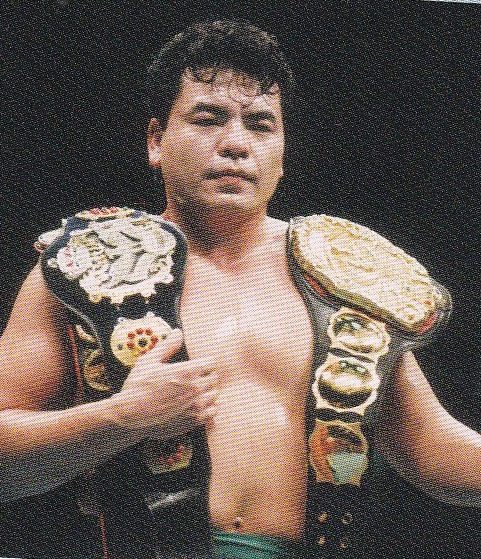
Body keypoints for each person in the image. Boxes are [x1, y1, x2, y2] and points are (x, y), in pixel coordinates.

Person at [0, 19, 480, 559]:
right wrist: (122, 418)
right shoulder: (85, 266)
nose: (235, 144)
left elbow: (432, 447)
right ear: (156, 140)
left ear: (282, 149)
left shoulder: (346, 278)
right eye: (208, 120)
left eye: (260, 125)